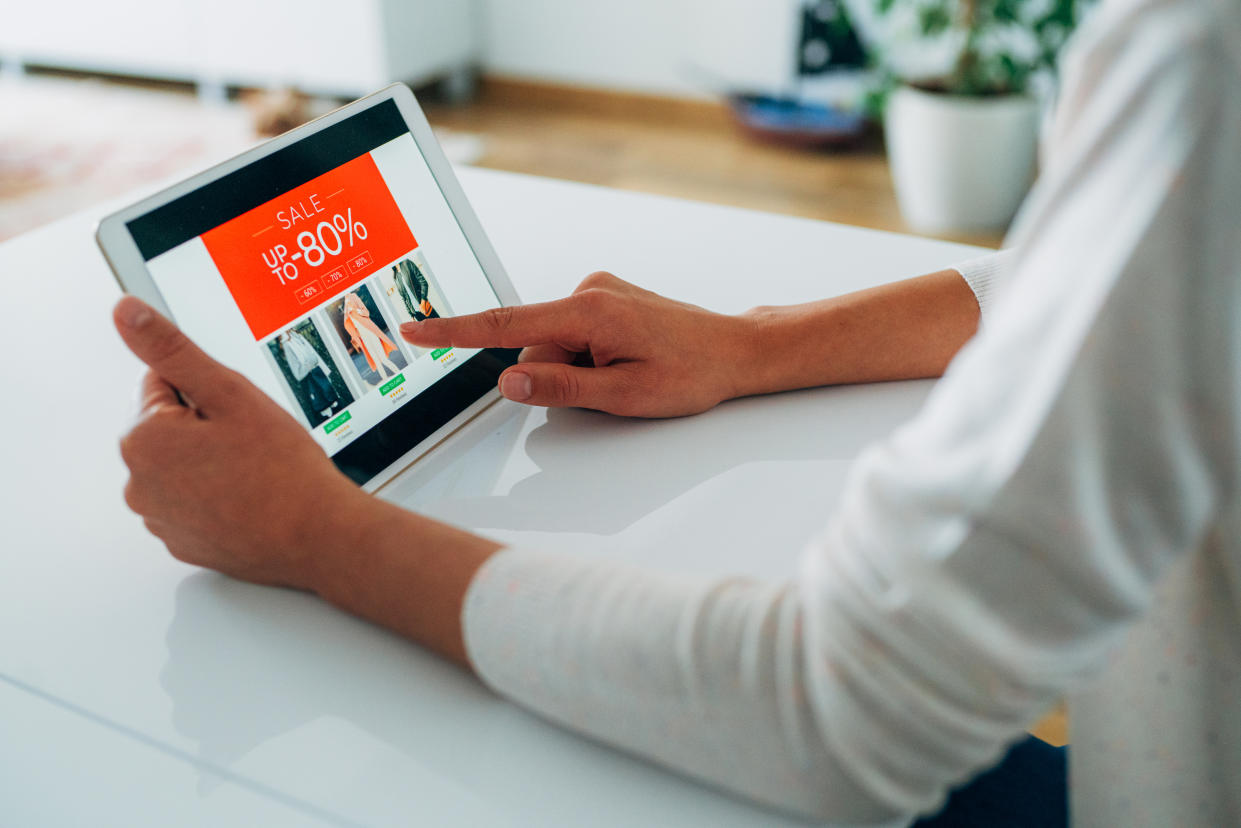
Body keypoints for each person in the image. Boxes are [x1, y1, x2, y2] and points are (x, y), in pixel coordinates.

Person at [112, 0, 1240, 824]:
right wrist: (748, 347)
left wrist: (313, 533)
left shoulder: (1197, 58)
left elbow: (836, 709)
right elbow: (1106, 283)